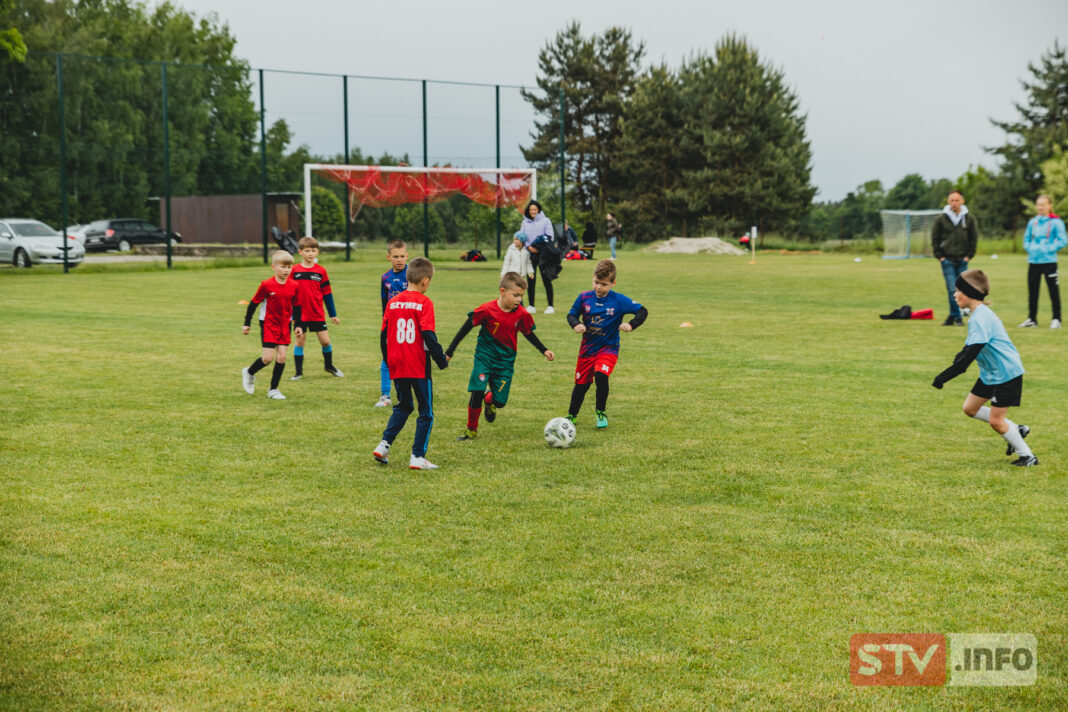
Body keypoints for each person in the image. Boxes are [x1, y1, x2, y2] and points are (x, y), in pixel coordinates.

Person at [932, 269, 1037, 466]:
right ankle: (1016, 429)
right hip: (991, 373)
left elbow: (968, 356)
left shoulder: (981, 318)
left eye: (958, 290)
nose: (954, 294)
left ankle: (1027, 456)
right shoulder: (978, 314)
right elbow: (967, 351)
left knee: (996, 421)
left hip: (1006, 373)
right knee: (970, 409)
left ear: (969, 293)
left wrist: (943, 377)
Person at [445, 271, 555, 441]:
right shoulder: (486, 310)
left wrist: (544, 350)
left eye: (521, 296)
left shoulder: (522, 314)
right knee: (477, 389)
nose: (519, 299)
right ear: (503, 292)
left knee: (500, 402)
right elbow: (466, 328)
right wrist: (450, 351)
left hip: (505, 362)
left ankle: (490, 399)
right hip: (485, 356)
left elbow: (528, 333)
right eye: (516, 295)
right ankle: (471, 429)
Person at [373, 256, 449, 470]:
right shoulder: (425, 303)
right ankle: (417, 456)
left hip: (397, 363)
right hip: (417, 364)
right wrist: (441, 360)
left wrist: (388, 360)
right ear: (426, 281)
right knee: (426, 412)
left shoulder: (393, 302)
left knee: (404, 406)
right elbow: (428, 335)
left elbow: (383, 335)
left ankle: (383, 445)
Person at [565, 259, 648, 429]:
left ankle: (600, 412)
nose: (599, 287)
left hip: (608, 349)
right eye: (596, 282)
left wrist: (631, 325)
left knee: (601, 375)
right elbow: (571, 314)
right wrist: (576, 324)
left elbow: (642, 311)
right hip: (587, 350)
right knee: (581, 385)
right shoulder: (584, 297)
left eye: (604, 284)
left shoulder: (619, 300)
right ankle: (572, 415)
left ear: (613, 283)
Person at [241, 250, 298, 400]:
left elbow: (297, 306)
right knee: (267, 358)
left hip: (285, 324)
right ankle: (249, 372)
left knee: (282, 357)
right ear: (274, 267)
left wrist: (298, 325)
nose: (286, 270)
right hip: (268, 323)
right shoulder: (266, 285)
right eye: (283, 267)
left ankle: (273, 389)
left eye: (289, 267)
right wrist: (247, 323)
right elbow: (253, 304)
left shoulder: (294, 285)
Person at [289, 236, 343, 380]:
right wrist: (292, 316)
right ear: (300, 252)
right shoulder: (294, 271)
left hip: (317, 313)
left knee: (325, 341)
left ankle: (329, 366)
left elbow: (327, 294)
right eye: (307, 251)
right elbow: (289, 295)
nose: (310, 253)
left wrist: (333, 314)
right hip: (300, 314)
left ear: (317, 252)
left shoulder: (321, 271)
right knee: (300, 341)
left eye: (313, 250)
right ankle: (298, 372)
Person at [931, 190, 978, 326]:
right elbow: (935, 238)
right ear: (948, 201)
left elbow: (973, 238)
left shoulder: (969, 219)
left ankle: (952, 316)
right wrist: (940, 256)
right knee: (952, 289)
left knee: (962, 289)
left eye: (957, 200)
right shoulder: (941, 219)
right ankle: (958, 317)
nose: (954, 203)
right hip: (947, 260)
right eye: (952, 200)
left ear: (962, 201)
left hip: (963, 260)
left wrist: (969, 255)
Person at [1019, 194, 1066, 329]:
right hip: (1033, 261)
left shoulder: (1056, 222)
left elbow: (1063, 240)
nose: (1041, 207)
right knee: (1033, 291)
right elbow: (1027, 239)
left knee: (1053, 291)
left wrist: (1049, 249)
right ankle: (1032, 319)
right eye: (1039, 205)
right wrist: (1030, 248)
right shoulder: (1032, 222)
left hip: (1049, 261)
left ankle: (1056, 319)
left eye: (1043, 204)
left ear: (1049, 205)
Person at [376, 240, 409, 407]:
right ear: (388, 257)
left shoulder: (412, 275)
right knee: (387, 357)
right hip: (391, 325)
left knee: (409, 359)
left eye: (402, 256)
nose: (399, 259)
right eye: (396, 256)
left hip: (409, 325)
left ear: (407, 256)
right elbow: (385, 303)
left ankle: (411, 392)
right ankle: (385, 395)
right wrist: (386, 323)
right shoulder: (386, 277)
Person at [517, 200, 555, 314]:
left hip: (543, 254)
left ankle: (550, 306)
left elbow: (550, 236)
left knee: (546, 279)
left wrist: (540, 246)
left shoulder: (546, 221)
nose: (533, 211)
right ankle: (531, 306)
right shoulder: (524, 222)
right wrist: (529, 246)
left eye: (535, 209)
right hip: (530, 254)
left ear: (538, 210)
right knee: (531, 279)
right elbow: (522, 236)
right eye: (531, 210)